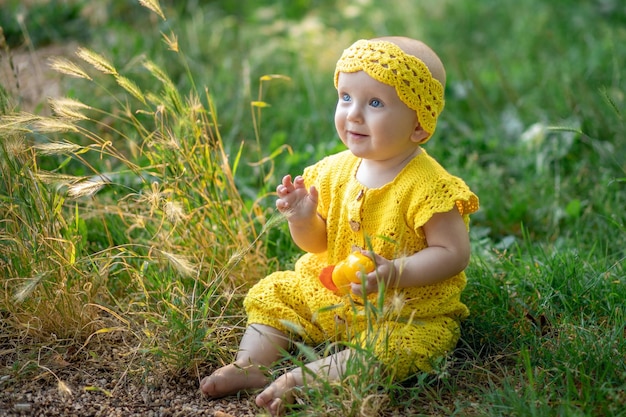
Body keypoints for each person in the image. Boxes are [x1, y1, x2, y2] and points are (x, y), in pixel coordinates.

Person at [200, 36, 479, 416]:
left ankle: (301, 380)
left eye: (375, 103)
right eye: (346, 97)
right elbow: (315, 244)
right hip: (331, 293)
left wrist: (394, 273)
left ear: (419, 126)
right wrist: (302, 218)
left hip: (407, 310)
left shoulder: (429, 186)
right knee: (279, 291)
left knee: (397, 349)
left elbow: (453, 253)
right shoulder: (334, 170)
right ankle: (250, 365)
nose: (354, 114)